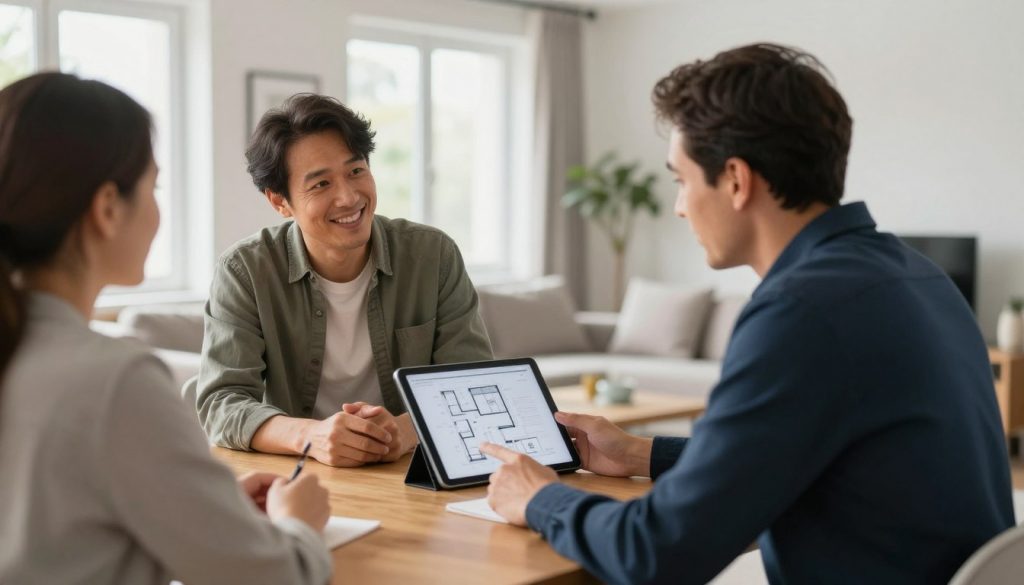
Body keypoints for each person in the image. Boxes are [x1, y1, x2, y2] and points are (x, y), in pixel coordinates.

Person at [480, 43, 1015, 584]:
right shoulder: (917, 275)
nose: (679, 206)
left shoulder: (801, 311)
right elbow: (797, 457)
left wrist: (542, 498)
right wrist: (643, 454)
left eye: (681, 179)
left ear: (736, 180)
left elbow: (659, 553)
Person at [0, 73, 333, 584]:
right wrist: (300, 526)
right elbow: (277, 577)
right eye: (152, 186)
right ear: (108, 208)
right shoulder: (117, 381)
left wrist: (205, 509)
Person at [191, 94, 492, 467]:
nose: (349, 197)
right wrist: (309, 436)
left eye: (356, 171)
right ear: (280, 202)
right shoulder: (246, 271)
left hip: (406, 466)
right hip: (293, 471)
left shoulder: (433, 256)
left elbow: (472, 384)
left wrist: (404, 430)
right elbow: (221, 402)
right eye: (320, 185)